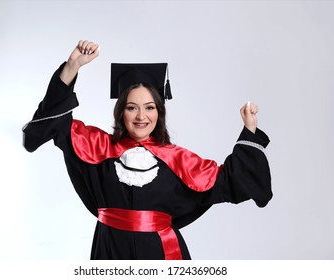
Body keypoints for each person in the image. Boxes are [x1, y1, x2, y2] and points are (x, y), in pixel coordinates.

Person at [22, 40, 272, 260]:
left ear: (159, 112)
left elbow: (229, 180)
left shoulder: (178, 159)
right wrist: (72, 67)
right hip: (110, 253)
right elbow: (56, 122)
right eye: (132, 107)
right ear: (121, 112)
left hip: (162, 255)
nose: (141, 116)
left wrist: (249, 131)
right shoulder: (97, 148)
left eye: (150, 107)